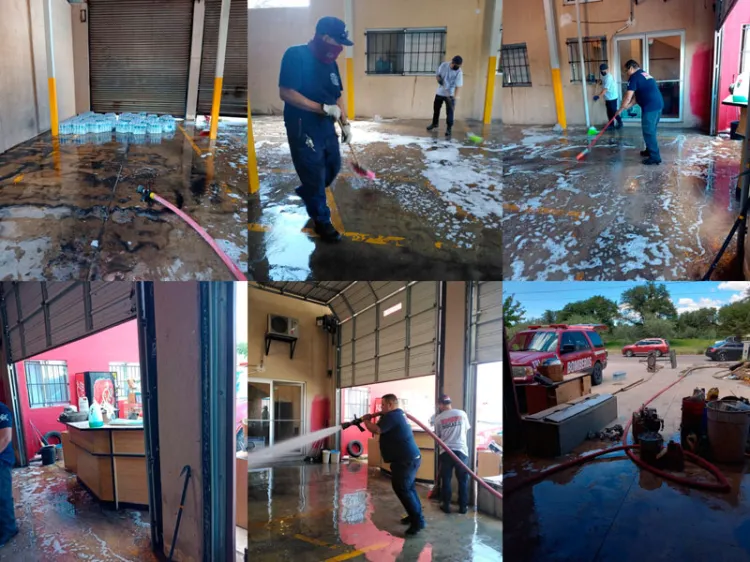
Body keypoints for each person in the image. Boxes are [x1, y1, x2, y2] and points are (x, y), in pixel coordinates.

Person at [278, 16, 354, 243]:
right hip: (303, 126)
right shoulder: (295, 55)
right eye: (336, 41)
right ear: (324, 37)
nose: (338, 48)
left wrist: (345, 123)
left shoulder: (331, 62)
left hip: (326, 126)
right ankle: (322, 221)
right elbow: (286, 92)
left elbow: (337, 95)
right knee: (314, 175)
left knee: (333, 166)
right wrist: (321, 108)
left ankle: (309, 191)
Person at [362, 395, 425, 535]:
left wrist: (366, 421)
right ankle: (414, 515)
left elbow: (377, 430)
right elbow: (381, 426)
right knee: (409, 489)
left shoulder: (393, 416)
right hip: (407, 459)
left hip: (405, 460)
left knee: (403, 489)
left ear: (390, 404)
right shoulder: (396, 414)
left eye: (383, 405)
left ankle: (418, 522)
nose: (381, 408)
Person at [618, 59, 664, 165]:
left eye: (626, 71)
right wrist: (625, 108)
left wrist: (622, 107)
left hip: (651, 107)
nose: (626, 74)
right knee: (651, 130)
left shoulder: (634, 77)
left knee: (649, 131)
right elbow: (636, 99)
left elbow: (628, 96)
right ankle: (649, 150)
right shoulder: (644, 74)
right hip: (657, 105)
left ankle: (655, 157)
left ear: (631, 68)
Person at [433, 394, 471, 514]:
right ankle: (463, 507)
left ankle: (446, 506)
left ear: (440, 404)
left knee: (447, 480)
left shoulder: (438, 418)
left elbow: (437, 437)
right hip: (461, 452)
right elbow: (466, 430)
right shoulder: (462, 414)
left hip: (446, 452)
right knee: (463, 481)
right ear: (450, 402)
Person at [427, 56, 464, 137]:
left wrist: (455, 97)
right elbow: (437, 75)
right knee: (436, 109)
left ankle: (449, 128)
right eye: (456, 65)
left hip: (450, 94)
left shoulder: (459, 72)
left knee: (450, 112)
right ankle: (434, 124)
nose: (458, 67)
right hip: (440, 92)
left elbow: (458, 86)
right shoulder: (444, 65)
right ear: (452, 62)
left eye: (459, 66)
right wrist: (439, 80)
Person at [0, 401, 17, 546]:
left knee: (2, 496)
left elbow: (5, 438)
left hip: (2, 460)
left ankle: (9, 529)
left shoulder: (2, 409)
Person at [593, 63, 622, 130]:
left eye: (603, 70)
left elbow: (605, 90)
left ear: (607, 69)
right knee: (609, 112)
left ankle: (620, 123)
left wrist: (598, 96)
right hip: (607, 98)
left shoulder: (609, 77)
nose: (602, 72)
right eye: (601, 71)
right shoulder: (604, 76)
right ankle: (611, 124)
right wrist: (598, 81)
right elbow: (602, 82)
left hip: (612, 97)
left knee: (614, 111)